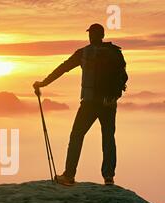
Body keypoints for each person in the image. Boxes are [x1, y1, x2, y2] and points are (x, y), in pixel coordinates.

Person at [34, 23, 128, 186]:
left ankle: (69, 175)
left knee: (77, 135)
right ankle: (108, 177)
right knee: (108, 137)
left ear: (91, 36)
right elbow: (124, 77)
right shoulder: (115, 53)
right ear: (103, 36)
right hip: (109, 103)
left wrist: (43, 83)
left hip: (90, 103)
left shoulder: (84, 53)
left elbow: (62, 68)